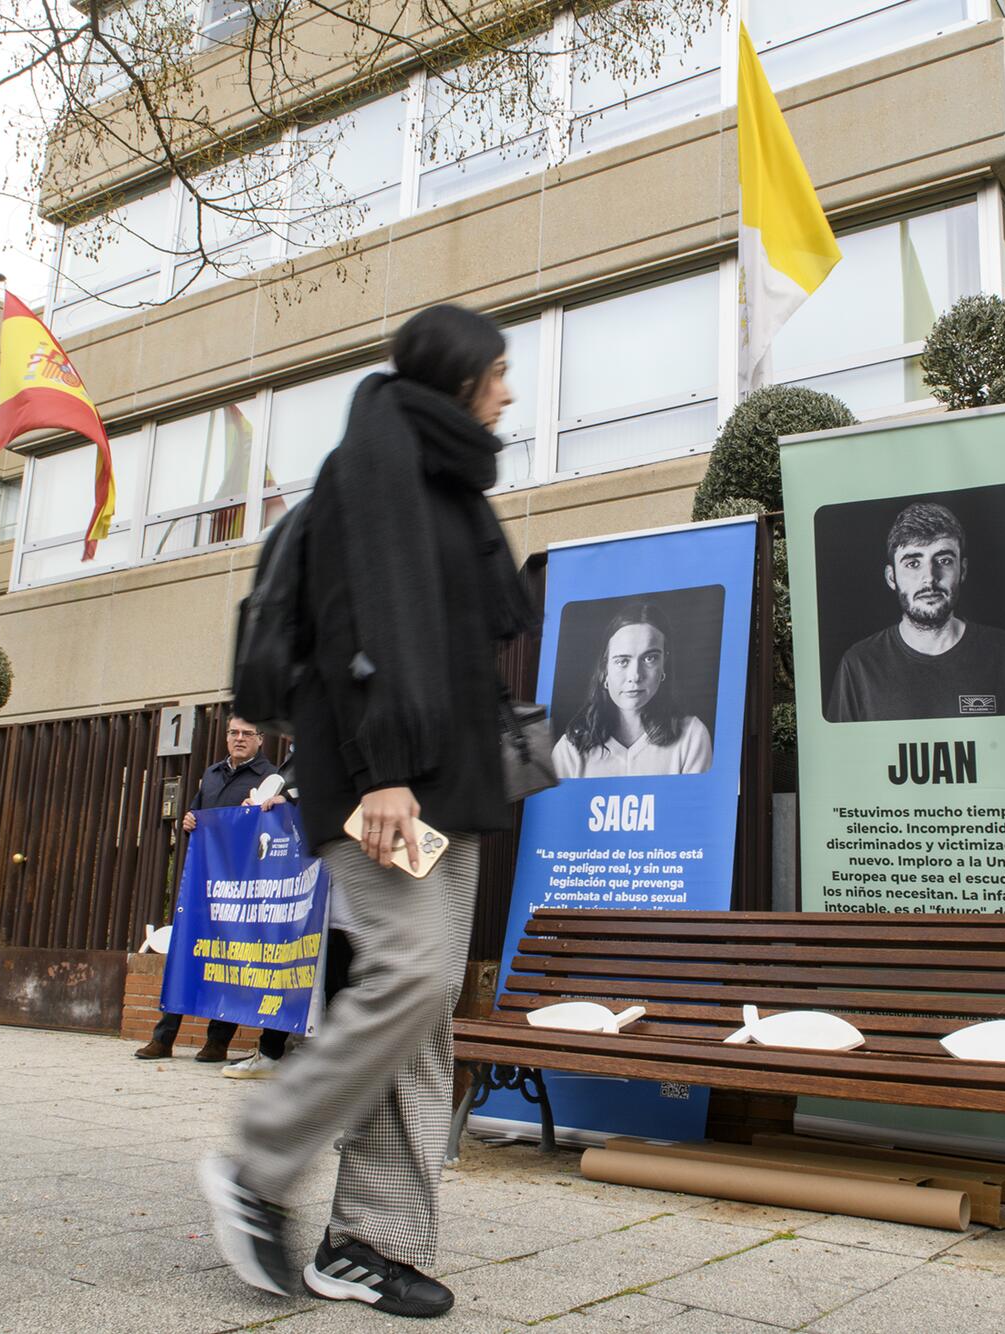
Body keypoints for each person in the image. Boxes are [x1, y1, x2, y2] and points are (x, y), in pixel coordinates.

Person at [198, 304, 534, 1318]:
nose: (509, 391)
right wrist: (385, 770)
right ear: (456, 373)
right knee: (413, 973)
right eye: (498, 372)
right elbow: (361, 627)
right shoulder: (374, 469)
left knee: (423, 1011)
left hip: (449, 782)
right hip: (388, 784)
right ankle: (255, 1160)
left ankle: (366, 1243)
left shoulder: (442, 478)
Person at [134, 717, 284, 1068]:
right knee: (185, 954)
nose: (240, 738)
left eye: (248, 733)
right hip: (205, 882)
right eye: (234, 733)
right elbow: (198, 816)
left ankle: (217, 1042)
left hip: (243, 884)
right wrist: (189, 822)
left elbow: (273, 829)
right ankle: (163, 1037)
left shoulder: (270, 778)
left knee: (230, 959)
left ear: (260, 739)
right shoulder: (212, 773)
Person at [825, 502, 1005, 722]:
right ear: (892, 577)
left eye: (944, 561)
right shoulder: (858, 665)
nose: (929, 577)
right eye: (912, 563)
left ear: (962, 570)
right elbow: (843, 755)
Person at [551, 602, 712, 778]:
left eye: (649, 658)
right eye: (622, 661)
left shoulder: (692, 736)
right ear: (605, 671)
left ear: (664, 664)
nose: (635, 675)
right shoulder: (571, 749)